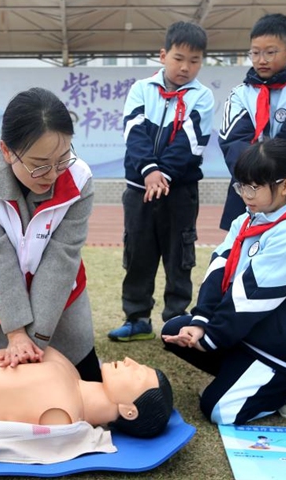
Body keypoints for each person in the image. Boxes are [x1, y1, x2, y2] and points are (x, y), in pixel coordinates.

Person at [161, 138, 286, 425]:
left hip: (277, 349)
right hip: (245, 334)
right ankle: (241, 376)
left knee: (219, 410)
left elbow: (251, 295)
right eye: (240, 185)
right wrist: (201, 320)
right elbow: (219, 266)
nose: (244, 194)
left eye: (253, 187)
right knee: (177, 331)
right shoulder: (248, 218)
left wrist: (212, 337)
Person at [0, 87, 100, 381]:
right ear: (7, 151)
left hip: (59, 299)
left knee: (85, 382)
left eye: (62, 158)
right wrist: (15, 332)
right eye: (39, 164)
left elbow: (62, 257)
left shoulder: (80, 178)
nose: (53, 173)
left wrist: (36, 340)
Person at [107, 21, 214, 342]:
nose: (185, 67)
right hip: (140, 191)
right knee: (137, 253)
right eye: (179, 58)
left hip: (179, 193)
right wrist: (150, 171)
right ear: (163, 55)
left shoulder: (203, 96)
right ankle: (137, 318)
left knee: (179, 257)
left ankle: (176, 322)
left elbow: (191, 142)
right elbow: (133, 132)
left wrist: (163, 174)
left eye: (194, 61)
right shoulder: (141, 89)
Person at [0, 347, 173, 441]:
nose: (129, 360)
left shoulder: (62, 418)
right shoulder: (69, 372)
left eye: (138, 374)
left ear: (130, 410)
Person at [217, 13, 286, 231]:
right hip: (249, 190)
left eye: (270, 52)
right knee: (241, 253)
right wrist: (256, 185)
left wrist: (273, 187)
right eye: (255, 53)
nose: (261, 60)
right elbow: (233, 142)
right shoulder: (239, 94)